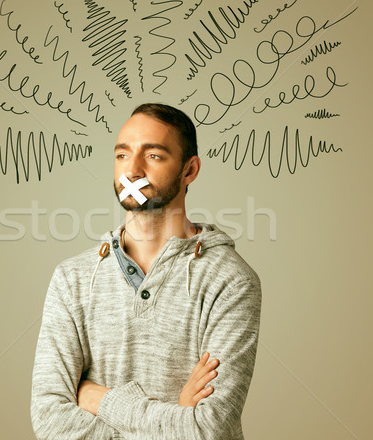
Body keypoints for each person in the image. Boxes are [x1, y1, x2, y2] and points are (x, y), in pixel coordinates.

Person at [30, 103, 261, 439]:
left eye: (153, 156)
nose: (132, 170)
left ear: (189, 170)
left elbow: (208, 428)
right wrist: (174, 418)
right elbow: (51, 421)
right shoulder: (72, 278)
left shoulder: (230, 281)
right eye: (123, 155)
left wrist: (100, 398)